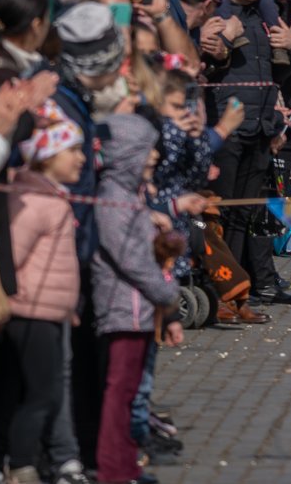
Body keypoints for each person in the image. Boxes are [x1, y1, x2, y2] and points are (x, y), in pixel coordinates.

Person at [91, 113, 184, 484]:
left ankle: (126, 464)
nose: (156, 156)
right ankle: (114, 469)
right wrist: (166, 293)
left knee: (128, 393)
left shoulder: (131, 195)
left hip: (138, 308)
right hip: (123, 307)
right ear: (130, 154)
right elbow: (130, 258)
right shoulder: (114, 198)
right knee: (120, 393)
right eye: (148, 150)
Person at [204, 0, 291, 304]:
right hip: (227, 129)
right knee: (223, 211)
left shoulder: (264, 17)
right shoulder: (218, 14)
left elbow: (279, 76)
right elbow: (204, 65)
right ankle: (219, 289)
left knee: (245, 211)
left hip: (261, 128)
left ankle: (239, 287)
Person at [3, 104, 85, 484]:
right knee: (38, 395)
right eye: (73, 150)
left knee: (46, 392)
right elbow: (12, 259)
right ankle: (21, 464)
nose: (82, 158)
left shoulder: (55, 196)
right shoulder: (35, 202)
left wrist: (66, 307)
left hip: (51, 311)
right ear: (49, 155)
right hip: (30, 312)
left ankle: (27, 459)